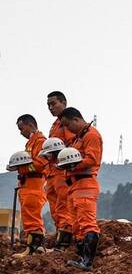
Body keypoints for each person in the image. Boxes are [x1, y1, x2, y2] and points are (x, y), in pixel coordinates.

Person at [60, 107, 102, 271]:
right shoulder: (79, 138)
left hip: (85, 184)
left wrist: (73, 165)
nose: (67, 129)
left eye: (67, 124)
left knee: (86, 223)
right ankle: (81, 258)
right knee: (76, 225)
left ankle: (87, 262)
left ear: (76, 120)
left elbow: (92, 159)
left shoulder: (91, 135)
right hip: (74, 185)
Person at [14, 114, 48, 256]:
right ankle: (35, 248)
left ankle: (33, 249)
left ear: (29, 125)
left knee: (32, 217)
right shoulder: (31, 142)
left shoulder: (40, 141)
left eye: (21, 128)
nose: (20, 132)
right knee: (29, 216)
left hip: (34, 185)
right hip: (27, 184)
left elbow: (40, 164)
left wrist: (22, 168)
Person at [45, 91, 75, 249]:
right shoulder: (55, 125)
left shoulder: (67, 122)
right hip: (51, 171)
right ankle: (60, 234)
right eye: (48, 105)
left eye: (53, 104)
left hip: (62, 170)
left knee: (63, 205)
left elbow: (72, 144)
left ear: (64, 102)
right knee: (54, 207)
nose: (50, 107)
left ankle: (65, 240)